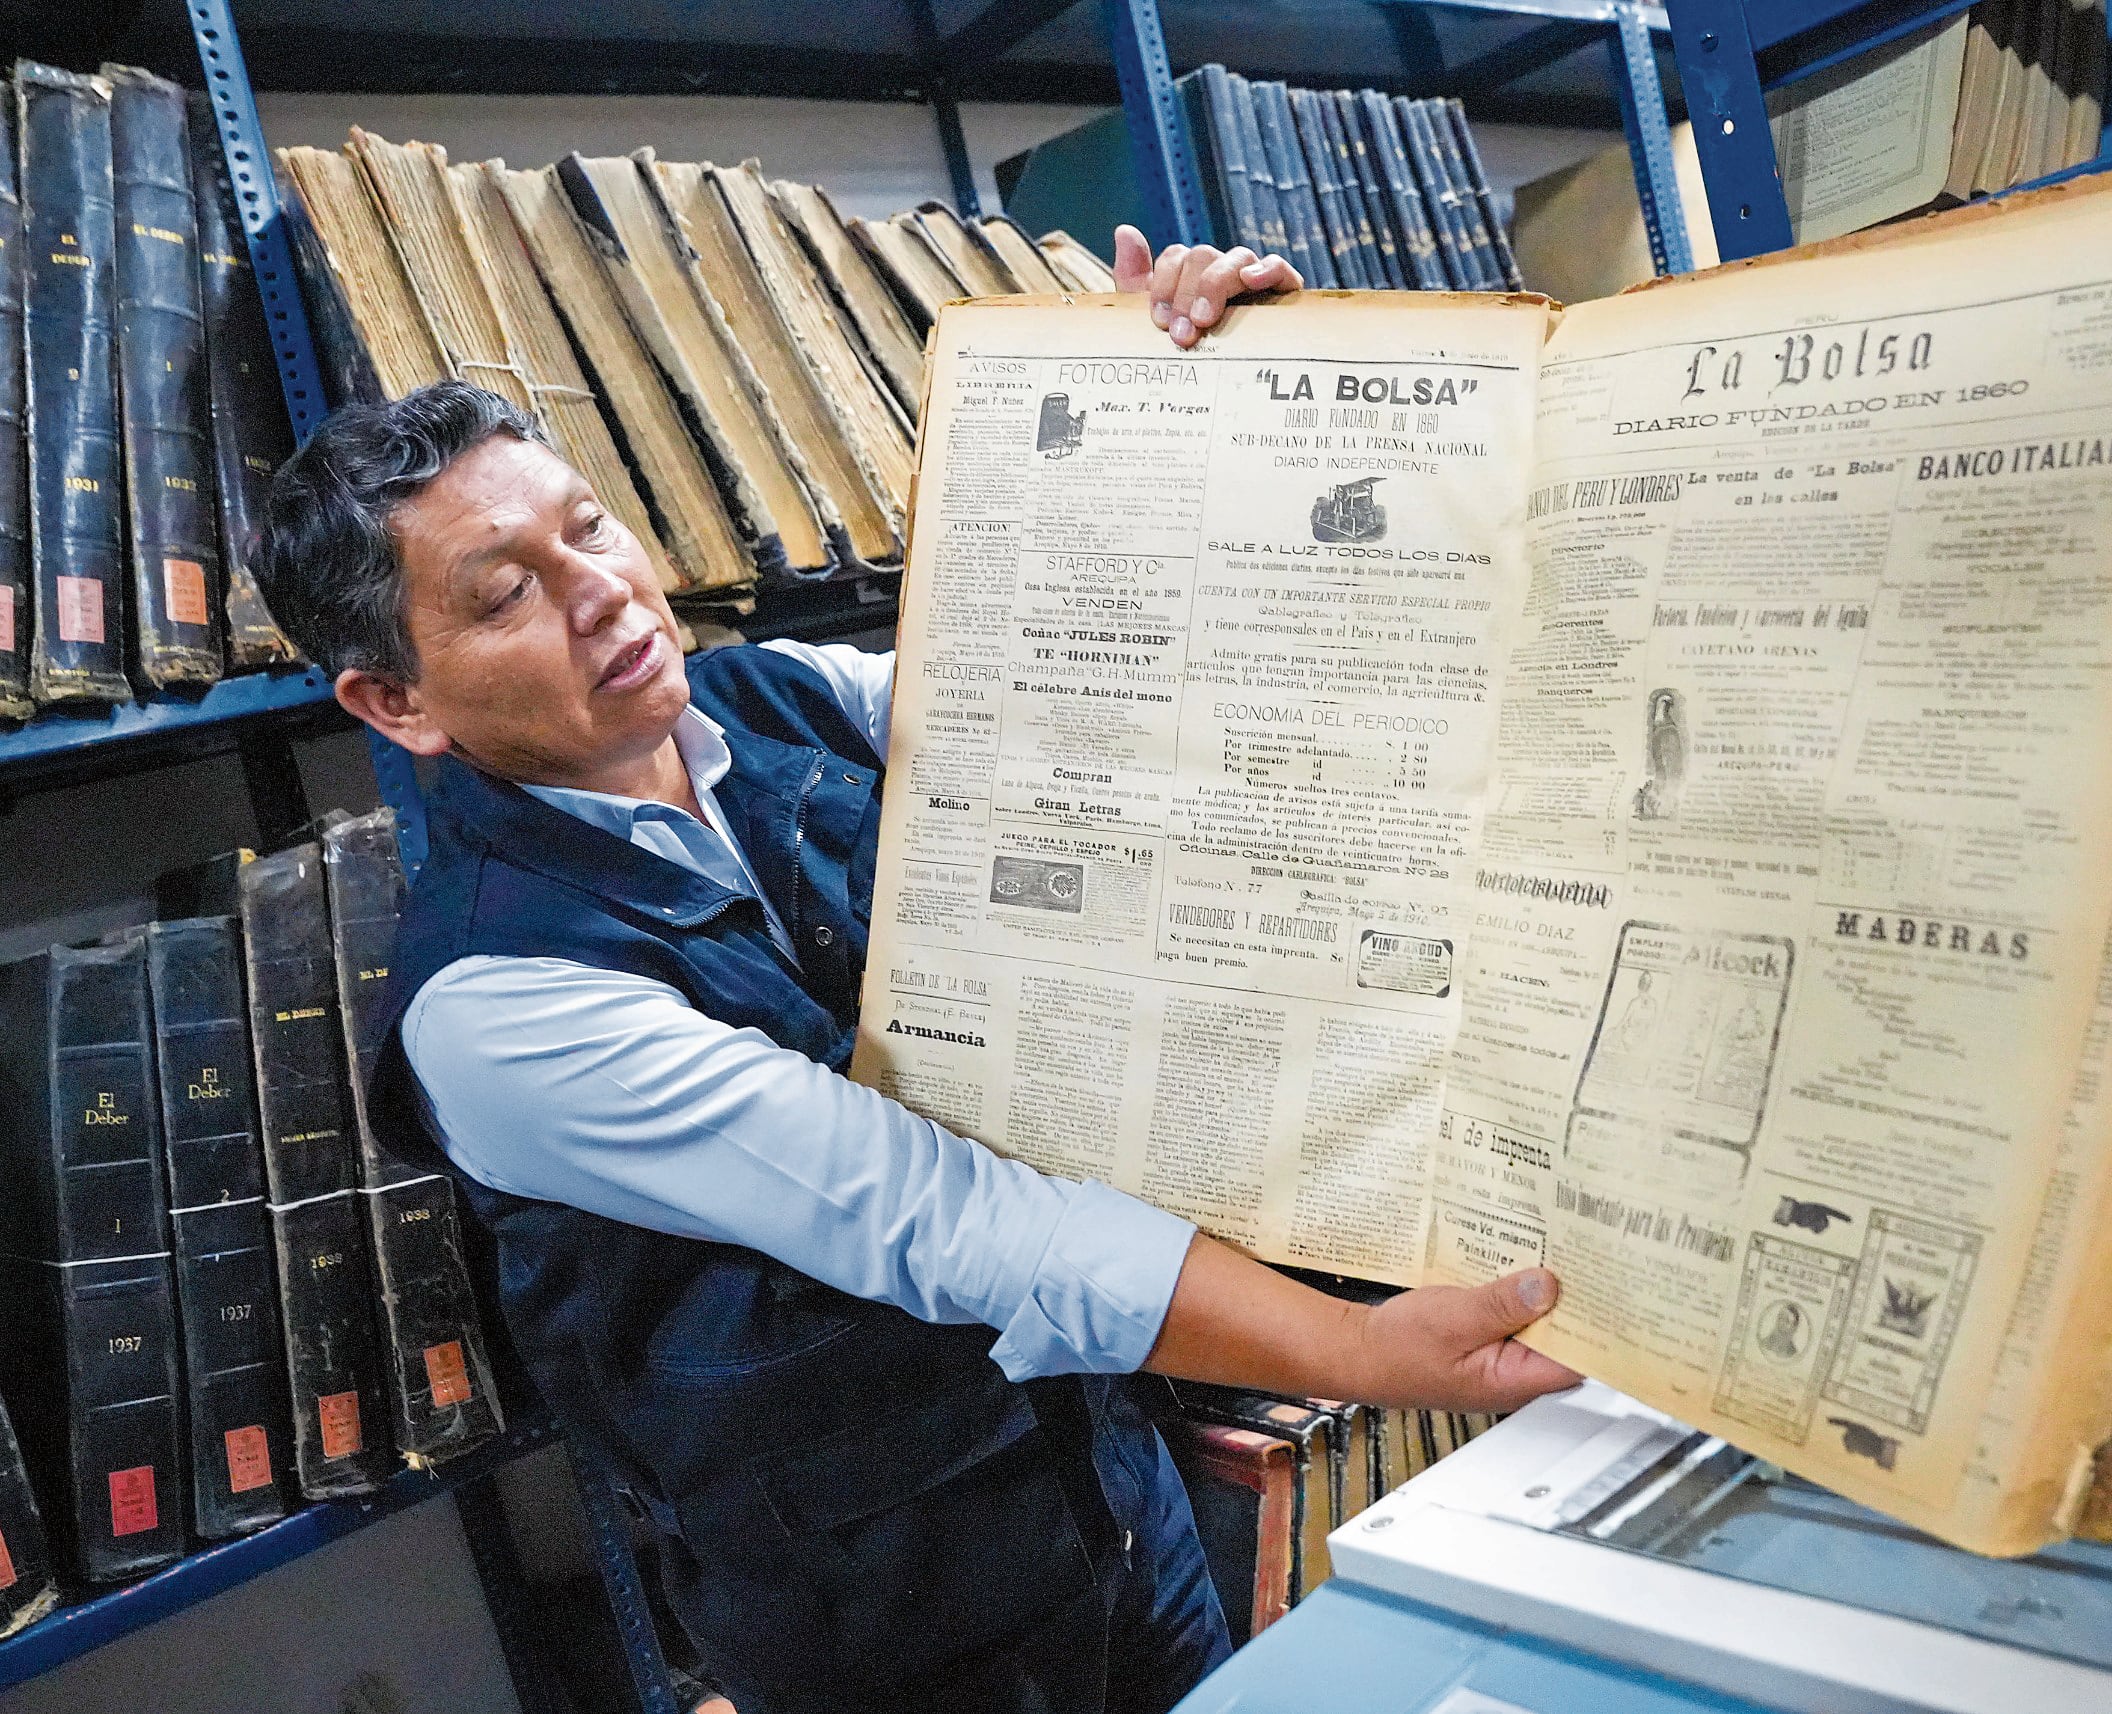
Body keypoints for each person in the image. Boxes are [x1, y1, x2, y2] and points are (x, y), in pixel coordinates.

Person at [252, 229, 1578, 1714]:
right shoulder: (499, 1002)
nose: (606, 593)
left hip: (1105, 1499)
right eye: (504, 594)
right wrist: (1356, 1345)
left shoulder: (773, 698)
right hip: (888, 1632)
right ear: (394, 699)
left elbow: (1120, 684)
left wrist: (1203, 399)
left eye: (591, 528)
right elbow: (943, 1216)